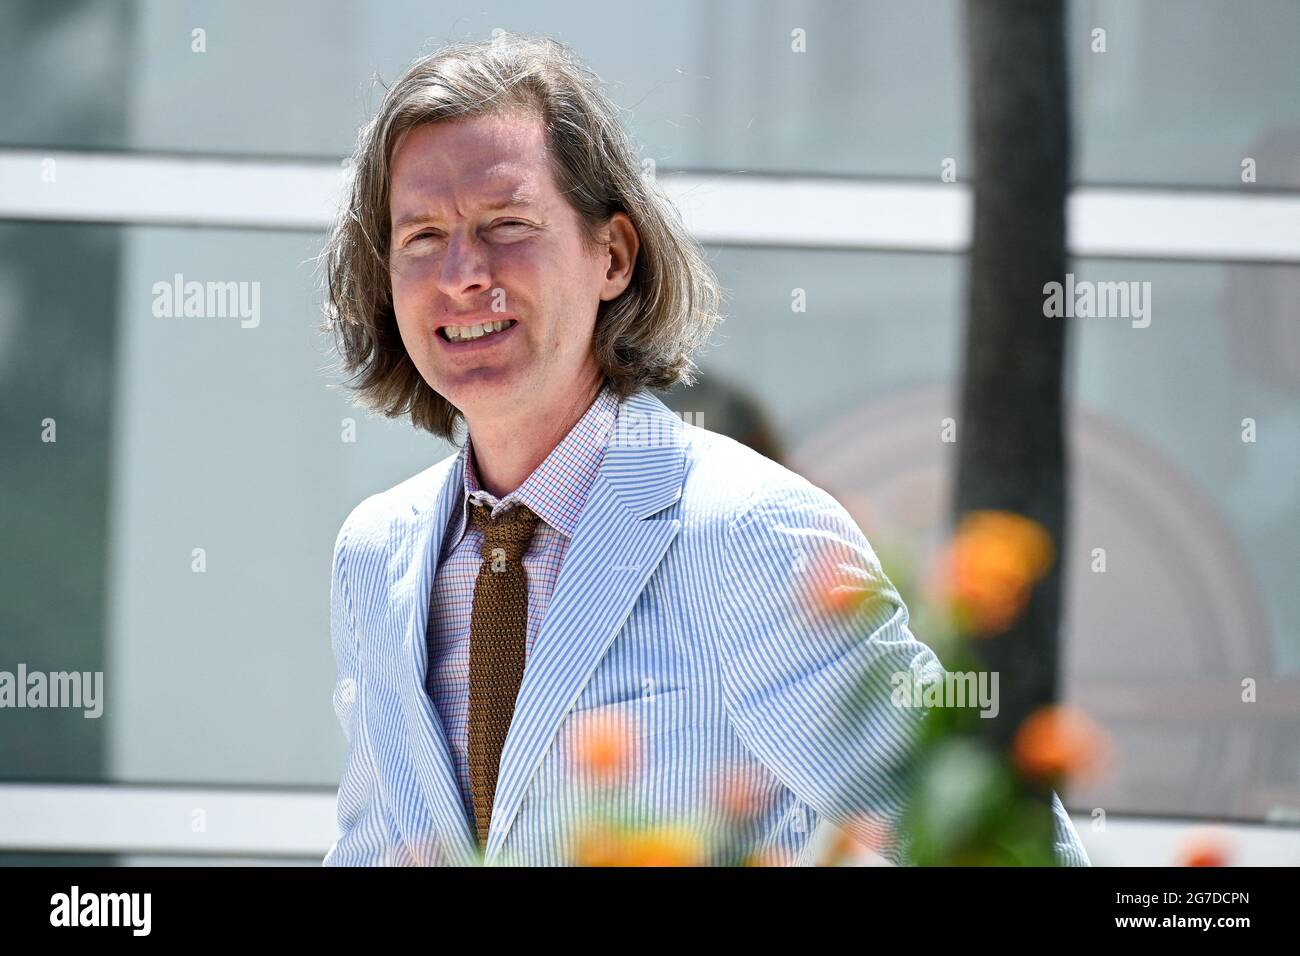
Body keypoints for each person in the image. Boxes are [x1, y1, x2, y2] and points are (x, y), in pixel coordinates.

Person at [320, 31, 1089, 866]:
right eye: (422, 237)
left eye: (506, 223)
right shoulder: (375, 556)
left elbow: (1001, 850)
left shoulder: (750, 533)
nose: (463, 272)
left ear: (611, 256)